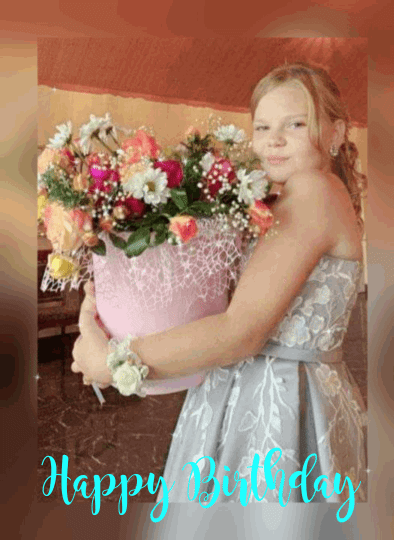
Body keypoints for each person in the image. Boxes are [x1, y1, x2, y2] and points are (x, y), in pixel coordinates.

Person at [71, 62, 367, 504]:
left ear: (337, 132)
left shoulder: (313, 190)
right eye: (263, 126)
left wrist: (113, 363)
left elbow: (240, 331)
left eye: (296, 124)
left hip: (279, 405)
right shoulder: (292, 195)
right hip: (253, 391)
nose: (274, 139)